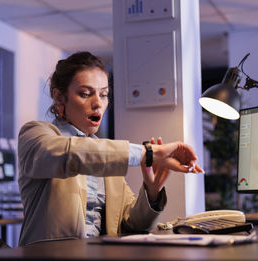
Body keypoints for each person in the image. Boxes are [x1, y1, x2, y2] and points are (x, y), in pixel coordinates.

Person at [18, 51, 204, 246]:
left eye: (104, 94)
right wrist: (149, 153)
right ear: (59, 98)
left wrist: (152, 190)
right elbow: (71, 153)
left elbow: (133, 225)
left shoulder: (107, 156)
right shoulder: (35, 134)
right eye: (85, 94)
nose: (98, 103)